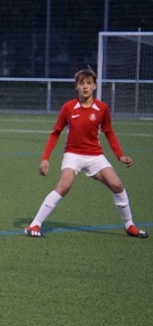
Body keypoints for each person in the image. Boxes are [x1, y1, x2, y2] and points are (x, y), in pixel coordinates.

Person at [25, 68, 147, 239]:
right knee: (64, 185)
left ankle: (129, 226)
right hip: (73, 155)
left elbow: (109, 132)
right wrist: (45, 158)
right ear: (76, 86)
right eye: (81, 83)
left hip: (95, 156)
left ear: (94, 86)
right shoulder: (68, 107)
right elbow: (55, 133)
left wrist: (120, 155)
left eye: (89, 83)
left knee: (117, 185)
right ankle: (34, 225)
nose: (85, 86)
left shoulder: (102, 108)